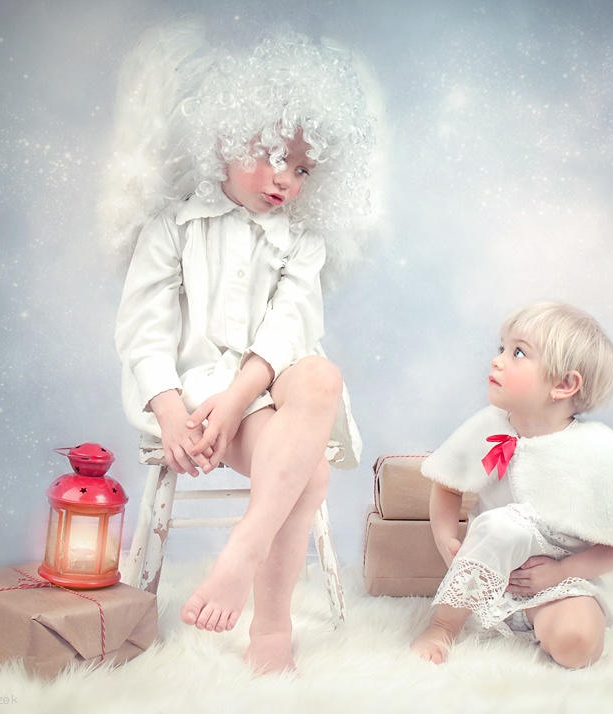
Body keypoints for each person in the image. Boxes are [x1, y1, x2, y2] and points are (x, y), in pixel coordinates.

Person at [105, 21, 380, 674]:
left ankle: (244, 549)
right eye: (272, 155)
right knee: (309, 473)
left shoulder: (301, 243)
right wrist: (172, 412)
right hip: (193, 393)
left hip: (266, 386)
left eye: (302, 168)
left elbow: (286, 332)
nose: (286, 178)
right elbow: (144, 329)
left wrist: (237, 400)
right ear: (224, 141)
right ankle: (272, 628)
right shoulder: (173, 228)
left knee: (321, 373)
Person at [410, 302, 613, 669]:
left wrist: (561, 573)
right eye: (502, 348)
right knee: (503, 527)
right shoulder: (489, 426)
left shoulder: (604, 453)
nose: (497, 360)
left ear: (564, 384)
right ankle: (443, 626)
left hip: (558, 579)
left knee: (577, 645)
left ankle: (548, 622)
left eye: (518, 353)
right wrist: (447, 541)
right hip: (486, 574)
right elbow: (447, 483)